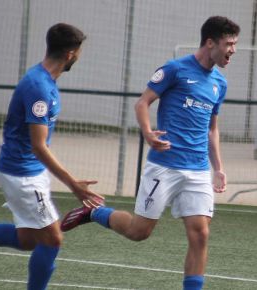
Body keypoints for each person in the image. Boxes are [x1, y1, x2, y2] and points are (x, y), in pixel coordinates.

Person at [60, 16, 240, 290]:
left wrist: (219, 167)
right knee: (139, 232)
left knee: (200, 234)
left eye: (235, 44)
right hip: (164, 166)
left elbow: (212, 129)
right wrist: (147, 132)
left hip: (198, 169)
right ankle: (94, 213)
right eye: (229, 44)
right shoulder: (175, 70)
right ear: (210, 42)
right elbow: (143, 103)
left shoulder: (219, 83)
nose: (233, 50)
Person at [0, 23, 104, 290]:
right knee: (52, 239)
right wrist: (73, 183)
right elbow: (39, 146)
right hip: (22, 175)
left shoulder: (43, 81)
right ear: (71, 54)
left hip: (27, 170)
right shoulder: (38, 86)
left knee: (28, 239)